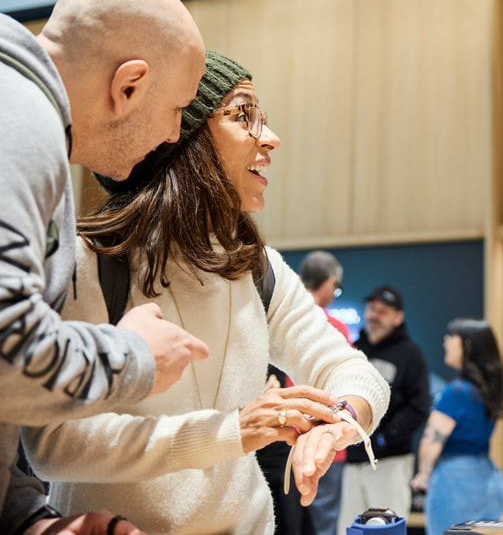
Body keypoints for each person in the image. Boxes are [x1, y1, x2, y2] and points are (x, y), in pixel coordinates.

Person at [22, 51, 391, 535]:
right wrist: (229, 432)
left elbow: (350, 369)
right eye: (244, 115)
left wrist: (338, 420)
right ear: (181, 135)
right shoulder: (92, 262)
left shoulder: (257, 267)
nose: (271, 138)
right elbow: (53, 444)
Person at [1, 0, 212, 535]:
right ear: (129, 86)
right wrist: (134, 355)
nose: (174, 136)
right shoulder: (19, 119)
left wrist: (29, 520)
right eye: (178, 109)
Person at [339, 285, 430, 528]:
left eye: (383, 311)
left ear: (398, 317)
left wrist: (386, 438)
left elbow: (418, 405)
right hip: (352, 461)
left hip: (389, 462)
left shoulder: (411, 354)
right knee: (349, 529)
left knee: (385, 530)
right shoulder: (354, 350)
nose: (374, 315)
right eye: (371, 309)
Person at [410, 319, 503, 535]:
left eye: (451, 338)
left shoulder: (456, 392)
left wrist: (423, 476)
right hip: (487, 478)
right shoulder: (487, 391)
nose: (445, 342)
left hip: (455, 483)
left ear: (467, 345)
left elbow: (432, 439)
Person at [298, 250, 352, 535]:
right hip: (323, 439)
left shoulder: (280, 322)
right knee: (322, 524)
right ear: (330, 283)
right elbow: (346, 385)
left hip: (280, 436)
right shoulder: (335, 328)